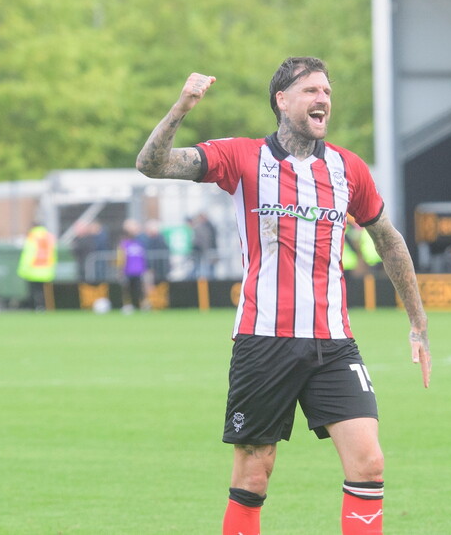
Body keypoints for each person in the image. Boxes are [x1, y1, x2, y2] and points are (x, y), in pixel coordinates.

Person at [135, 57, 431, 535]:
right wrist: (182, 107)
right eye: (312, 90)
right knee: (255, 471)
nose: (323, 99)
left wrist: (418, 323)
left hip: (334, 343)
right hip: (263, 340)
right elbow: (151, 165)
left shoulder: (347, 168)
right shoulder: (242, 157)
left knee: (369, 462)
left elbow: (388, 238)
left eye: (327, 92)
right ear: (282, 100)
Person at [17, 223, 57, 311]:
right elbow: (53, 253)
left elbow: (29, 254)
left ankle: (34, 307)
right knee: (43, 291)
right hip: (47, 270)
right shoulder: (49, 237)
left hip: (33, 270)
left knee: (34, 291)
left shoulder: (32, 237)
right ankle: (43, 306)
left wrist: (23, 269)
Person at [118, 219, 147, 314]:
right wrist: (121, 270)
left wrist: (145, 269)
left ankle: (143, 305)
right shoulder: (124, 245)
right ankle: (128, 306)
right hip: (128, 271)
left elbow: (143, 258)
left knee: (139, 290)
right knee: (127, 290)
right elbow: (121, 259)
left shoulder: (139, 243)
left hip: (138, 271)